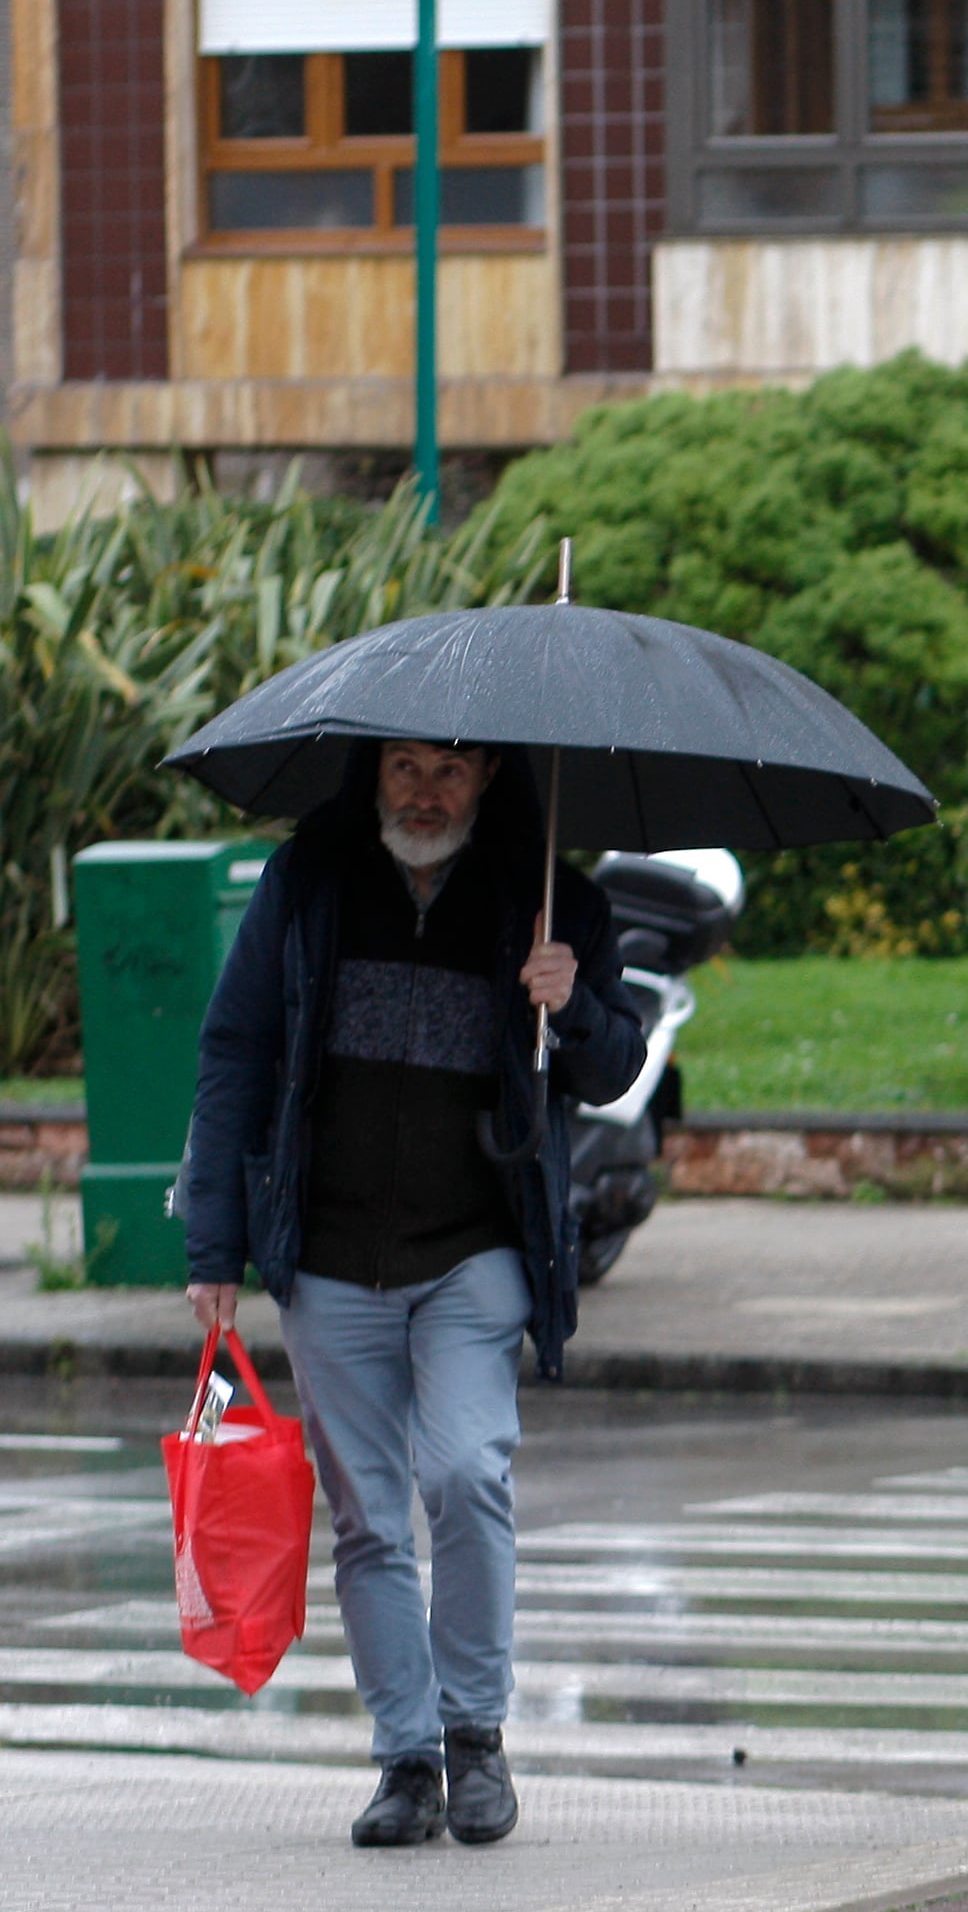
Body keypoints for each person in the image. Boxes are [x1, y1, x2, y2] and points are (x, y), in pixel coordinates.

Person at [182, 740, 646, 1848]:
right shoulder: (311, 882)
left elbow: (617, 1066)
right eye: (404, 767)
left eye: (451, 770)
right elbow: (236, 1051)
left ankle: (477, 1735)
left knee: (467, 1471)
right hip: (330, 1258)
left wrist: (570, 1001)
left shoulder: (550, 896)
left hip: (475, 1252)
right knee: (368, 1520)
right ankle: (407, 1759)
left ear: (488, 779)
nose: (425, 791)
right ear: (374, 775)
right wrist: (214, 1248)